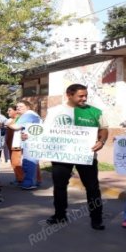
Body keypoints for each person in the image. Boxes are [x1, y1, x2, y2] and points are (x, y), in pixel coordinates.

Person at [44, 84, 108, 230]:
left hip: (86, 155)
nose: (84, 98)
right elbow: (45, 131)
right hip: (61, 155)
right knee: (60, 186)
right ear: (69, 95)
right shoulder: (55, 111)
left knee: (92, 188)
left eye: (86, 95)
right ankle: (60, 215)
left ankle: (96, 219)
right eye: (81, 96)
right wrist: (29, 136)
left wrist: (101, 141)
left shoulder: (94, 111)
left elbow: (104, 129)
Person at [6, 100, 42, 190]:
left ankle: (30, 183)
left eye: (21, 106)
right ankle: (33, 181)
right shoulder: (32, 115)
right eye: (17, 106)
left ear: (28, 107)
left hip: (31, 143)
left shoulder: (28, 115)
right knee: (30, 162)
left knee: (29, 163)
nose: (18, 108)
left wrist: (5, 123)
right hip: (31, 141)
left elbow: (16, 126)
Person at [4, 105, 24, 186]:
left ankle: (20, 179)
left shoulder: (19, 118)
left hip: (16, 145)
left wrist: (7, 125)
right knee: (14, 163)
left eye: (10, 110)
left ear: (16, 111)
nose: (8, 112)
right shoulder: (12, 119)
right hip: (11, 145)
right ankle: (18, 178)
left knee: (17, 163)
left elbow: (17, 127)